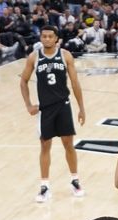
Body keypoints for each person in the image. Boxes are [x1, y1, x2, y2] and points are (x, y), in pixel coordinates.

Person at [19, 25, 85, 203]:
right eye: (44, 36)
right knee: (45, 146)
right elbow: (23, 81)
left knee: (68, 145)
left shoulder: (65, 55)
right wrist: (28, 105)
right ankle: (44, 186)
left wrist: (81, 108)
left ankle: (75, 180)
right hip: (45, 109)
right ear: (40, 38)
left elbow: (75, 83)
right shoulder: (34, 57)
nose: (47, 39)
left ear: (56, 38)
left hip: (63, 105)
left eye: (50, 36)